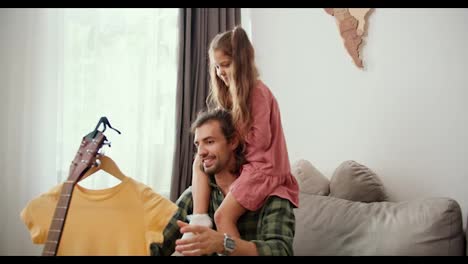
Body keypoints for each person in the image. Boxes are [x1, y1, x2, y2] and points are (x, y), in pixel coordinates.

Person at [184, 25, 300, 241]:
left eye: (225, 65)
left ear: (241, 62)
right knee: (198, 162)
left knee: (222, 217)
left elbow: (261, 141)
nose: (220, 72)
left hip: (262, 170)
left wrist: (233, 132)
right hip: (250, 166)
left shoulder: (257, 93)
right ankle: (199, 218)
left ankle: (225, 243)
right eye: (217, 67)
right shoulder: (235, 96)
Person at [152, 109, 296, 256]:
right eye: (197, 144)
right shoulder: (194, 196)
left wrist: (225, 243)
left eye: (209, 142)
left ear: (233, 141)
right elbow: (156, 245)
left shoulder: (272, 194)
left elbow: (281, 251)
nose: (201, 152)